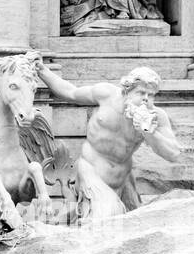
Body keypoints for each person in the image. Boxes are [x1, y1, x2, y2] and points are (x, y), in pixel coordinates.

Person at [31, 57, 181, 219]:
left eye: (151, 95)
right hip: (91, 172)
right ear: (126, 91)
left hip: (123, 179)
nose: (146, 99)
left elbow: (173, 154)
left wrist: (150, 133)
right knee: (108, 218)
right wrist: (42, 71)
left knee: (133, 224)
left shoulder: (156, 117)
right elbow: (71, 92)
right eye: (141, 93)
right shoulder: (107, 95)